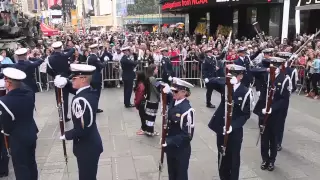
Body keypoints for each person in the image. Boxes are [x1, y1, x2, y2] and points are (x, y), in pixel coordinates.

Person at [54, 64, 103, 180]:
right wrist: (66, 82)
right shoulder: (89, 91)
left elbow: (83, 130)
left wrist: (67, 135)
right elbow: (76, 90)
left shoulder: (80, 101)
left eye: (74, 78)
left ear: (83, 79)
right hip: (90, 145)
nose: (72, 80)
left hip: (86, 147)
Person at [208, 64, 253, 180]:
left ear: (241, 76)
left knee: (234, 159)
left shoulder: (246, 92)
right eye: (230, 74)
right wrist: (225, 80)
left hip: (235, 131)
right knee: (222, 155)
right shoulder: (225, 86)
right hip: (221, 127)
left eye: (234, 75)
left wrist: (233, 126)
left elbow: (246, 114)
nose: (231, 76)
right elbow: (210, 82)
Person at [0, 67, 38, 180]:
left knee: (21, 167)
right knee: (31, 163)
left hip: (17, 139)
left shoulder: (4, 101)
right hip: (31, 133)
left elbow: (6, 126)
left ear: (8, 82)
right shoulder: (29, 93)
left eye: (5, 80)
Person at [259, 57, 291, 171]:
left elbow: (284, 99)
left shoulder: (285, 79)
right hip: (263, 112)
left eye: (276, 66)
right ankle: (264, 159)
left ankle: (272, 160)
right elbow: (253, 71)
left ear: (281, 67)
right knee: (263, 138)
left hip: (275, 114)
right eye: (272, 66)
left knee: (273, 139)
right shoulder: (266, 76)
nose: (274, 68)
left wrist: (272, 108)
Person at [161, 77, 195, 180]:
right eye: (172, 90)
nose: (173, 93)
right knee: (172, 175)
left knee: (180, 176)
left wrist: (168, 141)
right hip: (171, 148)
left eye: (175, 91)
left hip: (181, 150)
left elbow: (187, 135)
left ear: (184, 92)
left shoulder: (187, 110)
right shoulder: (174, 101)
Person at [47, 41, 75, 122]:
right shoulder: (64, 56)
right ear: (61, 47)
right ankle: (65, 116)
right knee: (65, 98)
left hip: (57, 80)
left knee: (58, 98)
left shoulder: (50, 58)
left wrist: (55, 76)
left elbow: (48, 70)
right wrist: (72, 47)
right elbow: (71, 52)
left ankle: (61, 116)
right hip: (65, 79)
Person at [87, 44, 107, 113]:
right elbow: (101, 66)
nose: (97, 50)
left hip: (91, 77)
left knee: (92, 94)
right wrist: (105, 62)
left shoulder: (89, 57)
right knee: (96, 94)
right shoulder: (95, 57)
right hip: (96, 78)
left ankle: (93, 107)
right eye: (96, 49)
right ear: (94, 50)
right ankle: (95, 108)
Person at [144, 64, 160, 136]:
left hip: (149, 99)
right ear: (153, 70)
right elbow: (157, 89)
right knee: (152, 116)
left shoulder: (148, 77)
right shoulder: (152, 79)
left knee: (149, 116)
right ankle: (150, 131)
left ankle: (148, 130)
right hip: (153, 99)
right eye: (156, 69)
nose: (157, 70)